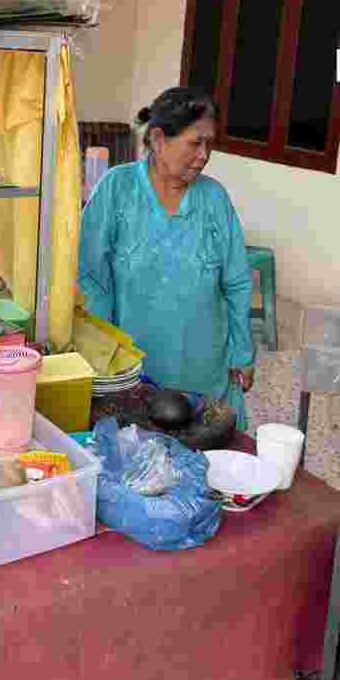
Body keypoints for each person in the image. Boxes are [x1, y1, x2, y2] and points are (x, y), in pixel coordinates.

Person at [78, 87, 256, 427]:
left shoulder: (214, 197)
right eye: (194, 143)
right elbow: (90, 275)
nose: (204, 155)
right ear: (158, 139)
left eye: (210, 144)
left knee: (207, 458)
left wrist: (242, 353)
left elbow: (237, 281)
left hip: (205, 370)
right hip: (136, 370)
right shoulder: (117, 188)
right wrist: (105, 353)